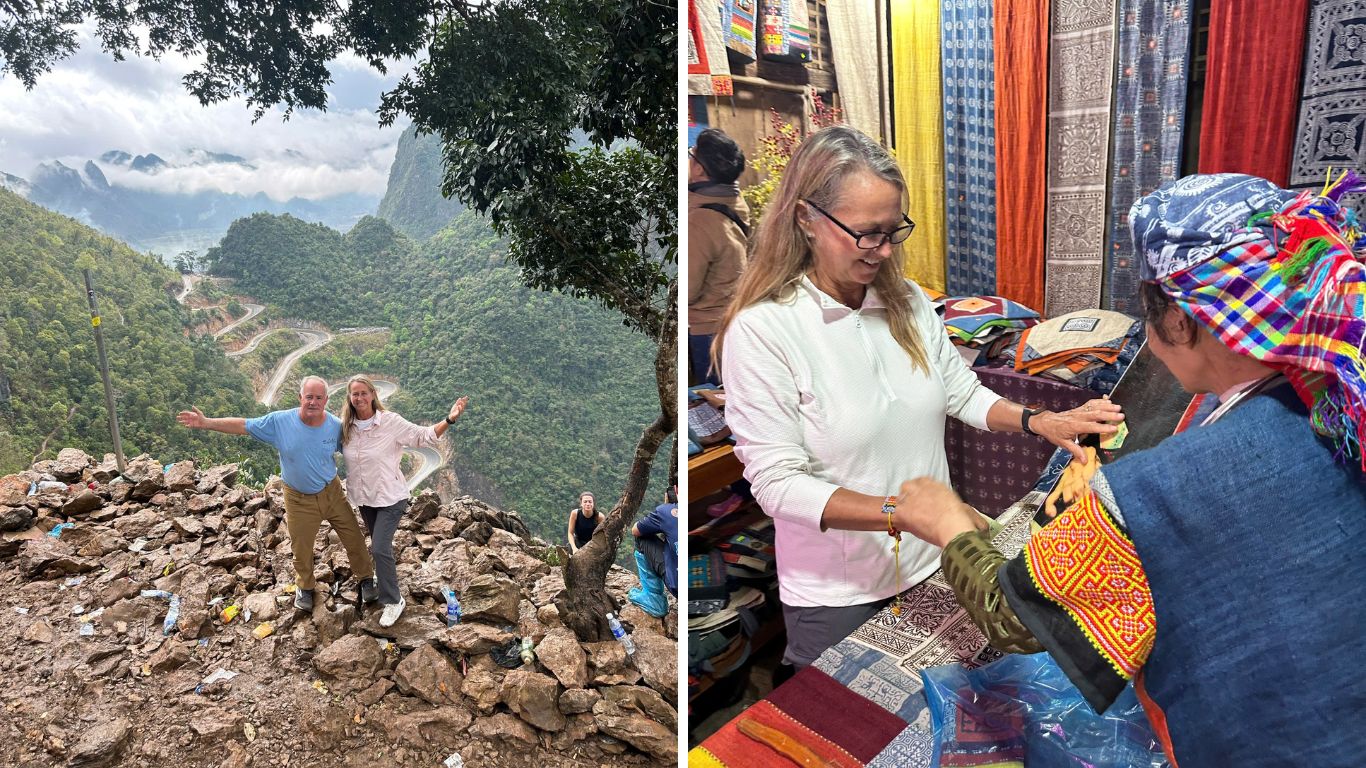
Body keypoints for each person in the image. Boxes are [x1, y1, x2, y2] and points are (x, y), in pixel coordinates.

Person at [892, 173, 1366, 766]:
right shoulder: (1343, 403)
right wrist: (1040, 421)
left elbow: (1017, 620)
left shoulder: (1157, 493)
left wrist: (947, 522)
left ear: (1179, 323)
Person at [714, 124, 1122, 670]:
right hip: (840, 590)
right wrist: (900, 513)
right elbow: (778, 485)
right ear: (806, 218)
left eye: (893, 230)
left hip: (933, 564)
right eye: (866, 233)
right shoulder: (765, 330)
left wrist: (1040, 421)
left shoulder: (903, 301)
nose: (883, 251)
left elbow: (960, 392)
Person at [176, 376, 376, 612]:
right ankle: (305, 586)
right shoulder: (280, 422)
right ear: (300, 398)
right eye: (308, 397)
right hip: (298, 498)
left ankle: (365, 579)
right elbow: (243, 425)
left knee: (353, 536)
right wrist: (206, 422)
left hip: (331, 491)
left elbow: (359, 449)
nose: (313, 402)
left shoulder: (334, 426)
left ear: (326, 400)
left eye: (318, 397)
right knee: (301, 547)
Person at [339, 375, 468, 627]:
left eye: (364, 393)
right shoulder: (346, 426)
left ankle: (393, 599)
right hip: (365, 498)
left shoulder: (390, 422)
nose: (359, 398)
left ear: (373, 394)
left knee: (379, 547)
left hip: (390, 497)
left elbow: (424, 436)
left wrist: (449, 419)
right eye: (355, 394)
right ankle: (384, 578)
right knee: (379, 546)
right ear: (350, 398)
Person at [689, 128, 750, 385]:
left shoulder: (701, 221)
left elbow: (688, 289)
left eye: (691, 156)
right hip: (729, 320)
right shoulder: (734, 201)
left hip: (706, 329)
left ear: (700, 170)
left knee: (708, 402)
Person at [628, 484, 678, 617]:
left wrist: (667, 509)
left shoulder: (667, 511)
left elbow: (635, 530)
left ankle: (653, 597)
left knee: (643, 539)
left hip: (679, 586)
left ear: (676, 489)